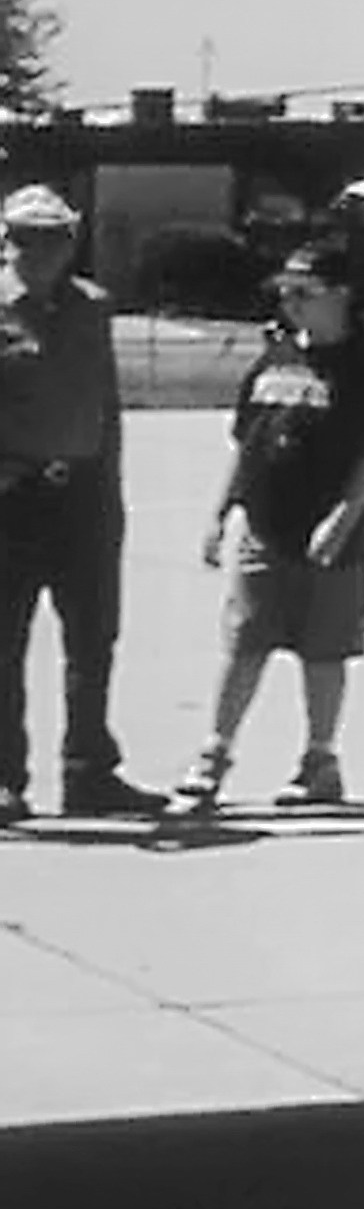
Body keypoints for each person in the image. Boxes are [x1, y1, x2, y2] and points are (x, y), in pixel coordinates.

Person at [170, 240, 364, 818]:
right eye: (286, 294)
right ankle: (213, 757)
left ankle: (319, 761)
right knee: (244, 644)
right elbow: (243, 446)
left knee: (324, 653)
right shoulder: (273, 358)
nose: (292, 304)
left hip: (332, 536)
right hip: (263, 526)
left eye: (305, 294)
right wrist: (222, 513)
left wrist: (342, 520)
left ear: (340, 296)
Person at [0, 179, 159, 824]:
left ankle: (90, 769)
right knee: (4, 642)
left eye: (56, 238)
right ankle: (6, 777)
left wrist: (112, 490)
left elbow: (106, 401)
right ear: (5, 240)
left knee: (93, 638)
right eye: (26, 239)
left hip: (85, 494)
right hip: (15, 495)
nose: (41, 251)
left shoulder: (92, 306)